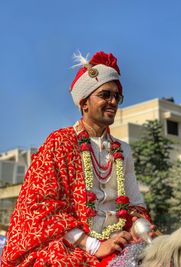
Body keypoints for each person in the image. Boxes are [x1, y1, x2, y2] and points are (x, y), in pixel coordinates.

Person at [1, 51, 153, 266]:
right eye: (105, 95)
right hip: (74, 246)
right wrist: (94, 246)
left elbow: (135, 203)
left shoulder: (123, 150)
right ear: (84, 103)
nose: (112, 102)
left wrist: (140, 224)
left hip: (118, 241)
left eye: (116, 96)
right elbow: (41, 207)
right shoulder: (59, 142)